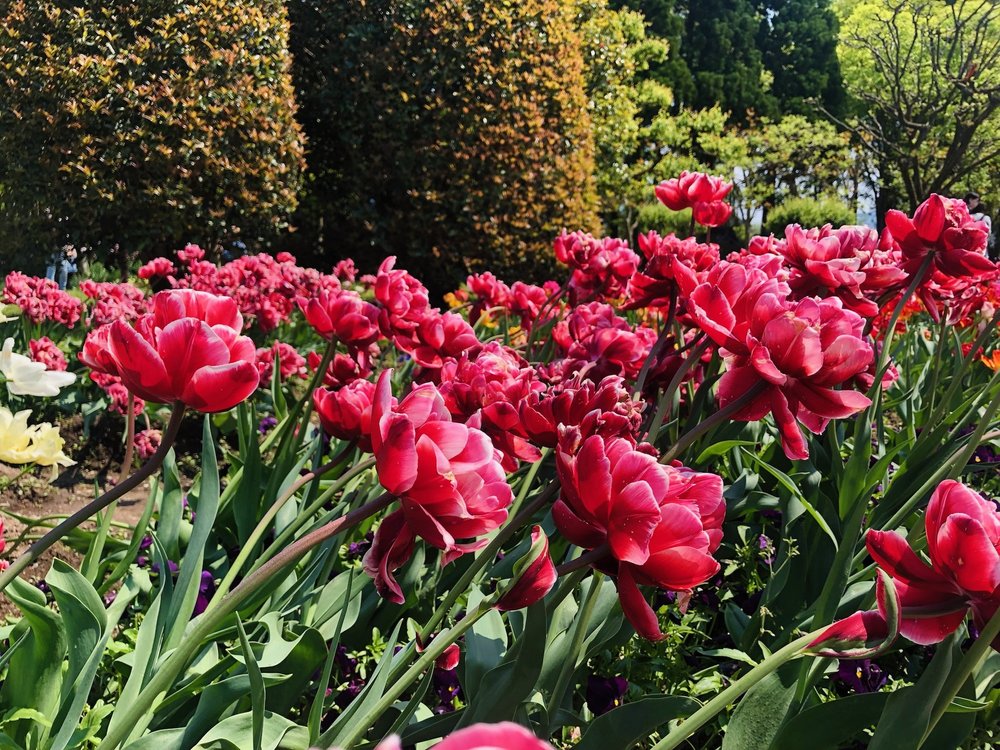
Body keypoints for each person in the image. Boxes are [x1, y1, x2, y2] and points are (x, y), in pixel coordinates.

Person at [964, 192, 996, 260]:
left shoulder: (963, 215)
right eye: (976, 201)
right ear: (970, 200)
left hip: (963, 251)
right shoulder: (985, 218)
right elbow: (988, 235)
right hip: (980, 252)